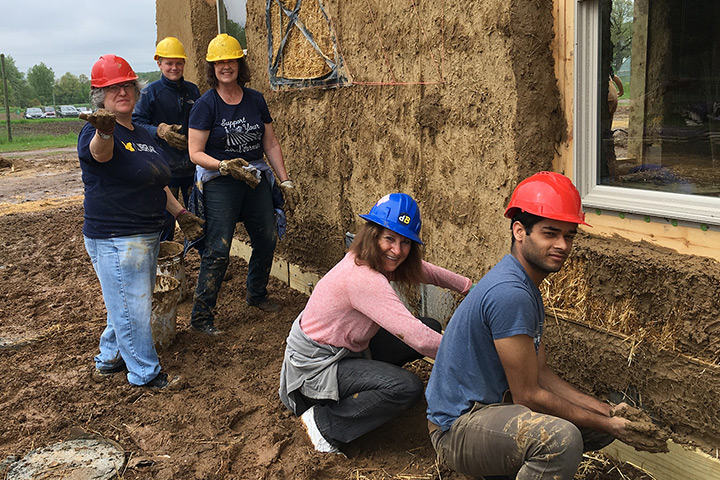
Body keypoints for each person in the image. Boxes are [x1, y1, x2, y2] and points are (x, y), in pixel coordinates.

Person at [424, 171, 646, 480]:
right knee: (561, 441)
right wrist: (606, 421)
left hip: (491, 413)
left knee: (594, 429)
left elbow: (541, 374)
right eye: (550, 233)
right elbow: (527, 395)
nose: (562, 245)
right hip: (457, 428)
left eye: (569, 236)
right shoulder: (510, 293)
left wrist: (607, 412)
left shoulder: (525, 285)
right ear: (519, 231)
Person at [279, 193, 472, 454]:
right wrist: (475, 358)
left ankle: (364, 388)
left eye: (405, 242)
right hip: (314, 372)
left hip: (347, 351)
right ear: (373, 235)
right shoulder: (364, 278)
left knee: (430, 324)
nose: (397, 250)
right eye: (389, 238)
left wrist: (468, 288)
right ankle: (324, 425)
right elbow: (420, 339)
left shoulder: (374, 260)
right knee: (406, 387)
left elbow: (424, 270)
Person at [78, 54, 204, 389]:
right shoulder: (97, 131)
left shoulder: (142, 134)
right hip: (117, 235)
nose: (122, 92)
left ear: (136, 90)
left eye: (127, 86)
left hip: (146, 233)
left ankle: (109, 357)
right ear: (99, 97)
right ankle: (145, 373)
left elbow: (156, 181)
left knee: (126, 298)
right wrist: (104, 132)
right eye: (112, 88)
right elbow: (99, 153)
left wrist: (180, 213)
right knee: (132, 305)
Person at [188, 33, 298, 334]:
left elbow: (270, 143)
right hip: (221, 179)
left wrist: (284, 180)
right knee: (218, 247)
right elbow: (194, 152)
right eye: (220, 62)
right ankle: (201, 317)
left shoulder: (255, 100)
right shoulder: (205, 105)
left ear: (240, 63)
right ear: (213, 68)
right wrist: (223, 165)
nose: (227, 66)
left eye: (231, 60)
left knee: (266, 237)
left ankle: (256, 293)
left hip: (254, 175)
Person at [133, 37, 201, 242]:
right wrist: (160, 131)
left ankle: (203, 259)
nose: (174, 67)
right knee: (165, 220)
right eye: (169, 63)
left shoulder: (192, 91)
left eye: (178, 63)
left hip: (191, 166)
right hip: (163, 169)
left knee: (196, 217)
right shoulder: (149, 93)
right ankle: (165, 265)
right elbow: (136, 124)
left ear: (184, 64)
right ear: (159, 63)